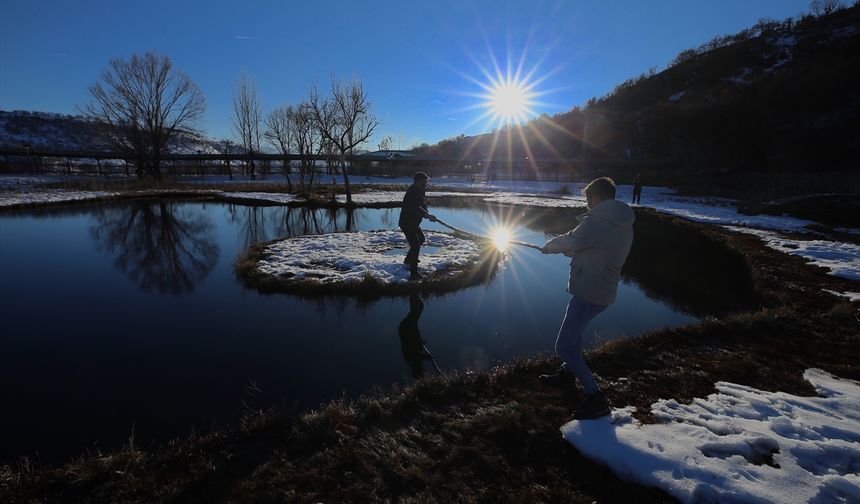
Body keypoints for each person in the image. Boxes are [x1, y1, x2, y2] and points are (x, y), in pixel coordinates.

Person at [539, 177, 635, 419]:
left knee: (563, 345)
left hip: (590, 291)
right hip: (601, 289)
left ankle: (596, 398)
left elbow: (573, 238)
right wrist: (573, 250)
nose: (587, 203)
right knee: (575, 335)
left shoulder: (598, 220)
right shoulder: (619, 220)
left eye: (588, 199)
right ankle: (566, 373)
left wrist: (551, 246)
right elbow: (595, 248)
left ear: (597, 197)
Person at [399, 172, 437, 280]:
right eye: (423, 182)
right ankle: (413, 274)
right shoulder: (411, 193)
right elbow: (415, 208)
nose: (425, 184)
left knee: (421, 239)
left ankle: (408, 260)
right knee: (415, 246)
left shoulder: (421, 191)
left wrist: (427, 214)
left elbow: (423, 206)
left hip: (414, 223)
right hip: (407, 223)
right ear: (416, 182)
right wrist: (426, 214)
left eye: (425, 182)